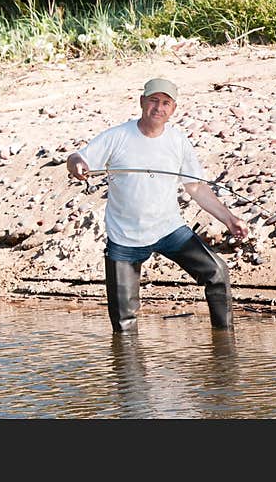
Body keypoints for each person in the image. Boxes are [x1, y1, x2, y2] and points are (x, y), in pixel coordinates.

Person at [65, 78, 248, 332]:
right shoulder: (117, 136)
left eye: (165, 103)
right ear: (142, 102)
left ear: (173, 109)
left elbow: (195, 187)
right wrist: (76, 164)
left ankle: (225, 345)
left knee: (217, 273)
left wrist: (229, 219)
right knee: (124, 324)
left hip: (169, 230)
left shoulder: (178, 140)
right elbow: (78, 157)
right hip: (124, 237)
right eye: (153, 100)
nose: (158, 107)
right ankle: (128, 368)